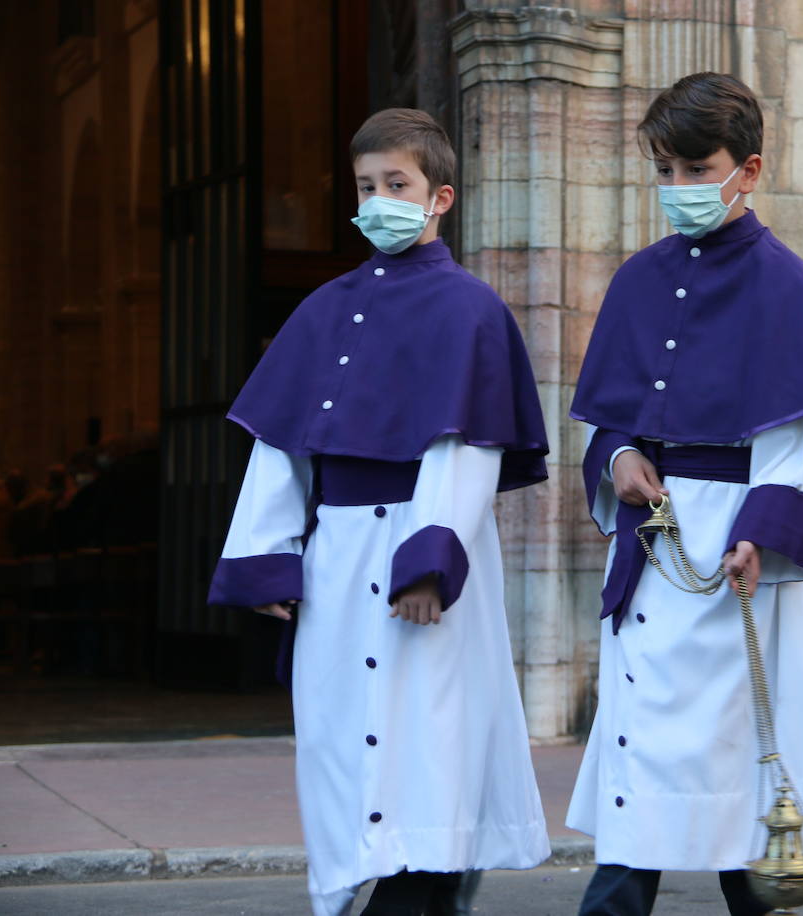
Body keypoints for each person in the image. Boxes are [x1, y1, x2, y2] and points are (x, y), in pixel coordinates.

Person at [207, 108, 551, 916]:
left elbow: (465, 448)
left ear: (441, 197)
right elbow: (283, 446)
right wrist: (268, 554)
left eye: (397, 184)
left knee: (427, 735)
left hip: (425, 554)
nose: (378, 200)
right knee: (339, 731)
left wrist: (430, 560)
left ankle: (425, 889)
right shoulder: (325, 308)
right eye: (366, 187)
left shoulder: (470, 310)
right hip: (338, 559)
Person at [565, 72, 803, 916]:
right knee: (646, 760)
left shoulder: (790, 286)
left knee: (741, 758)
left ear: (750, 168)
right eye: (664, 170)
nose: (678, 189)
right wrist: (620, 455)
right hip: (655, 541)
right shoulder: (638, 279)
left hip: (742, 554)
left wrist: (761, 535)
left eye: (697, 168)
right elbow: (610, 417)